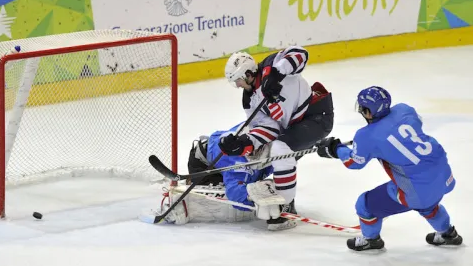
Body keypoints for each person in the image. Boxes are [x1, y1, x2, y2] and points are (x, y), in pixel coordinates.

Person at [315, 86, 463, 251]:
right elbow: (414, 127)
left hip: (419, 189)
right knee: (428, 203)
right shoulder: (404, 110)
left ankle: (371, 240)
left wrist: (335, 149)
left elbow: (354, 162)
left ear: (368, 111)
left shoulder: (366, 135)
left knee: (364, 204)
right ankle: (448, 234)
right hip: (444, 176)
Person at [216, 47, 334, 227]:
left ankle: (285, 206)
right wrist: (243, 143)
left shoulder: (271, 65)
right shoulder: (249, 99)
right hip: (294, 127)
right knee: (277, 153)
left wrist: (278, 74)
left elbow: (301, 54)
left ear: (248, 73)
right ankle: (285, 199)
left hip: (317, 115)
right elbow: (269, 128)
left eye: (238, 80)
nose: (238, 85)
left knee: (280, 148)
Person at [160, 122, 299, 231]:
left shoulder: (266, 132)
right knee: (225, 197)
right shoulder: (238, 162)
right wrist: (255, 200)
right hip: (205, 166)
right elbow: (235, 193)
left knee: (267, 181)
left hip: (232, 158)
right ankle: (183, 202)